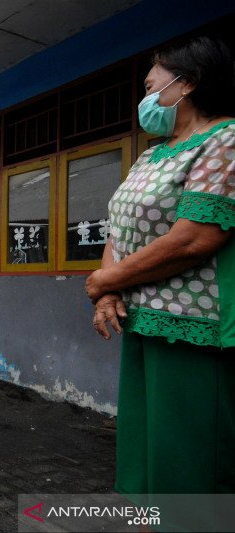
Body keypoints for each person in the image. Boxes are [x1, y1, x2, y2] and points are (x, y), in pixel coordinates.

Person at [86, 36, 234, 511]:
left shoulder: (225, 139)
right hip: (143, 315)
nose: (145, 96)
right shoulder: (152, 153)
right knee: (148, 441)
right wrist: (107, 290)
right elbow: (121, 227)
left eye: (152, 85)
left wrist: (110, 280)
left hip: (195, 322)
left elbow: (196, 237)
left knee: (191, 449)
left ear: (186, 83)